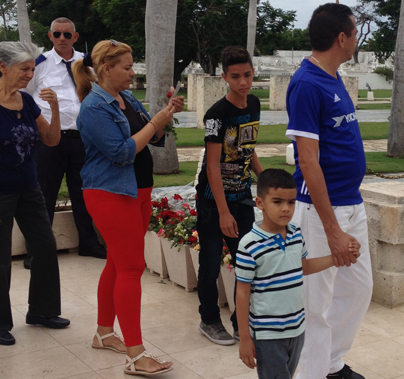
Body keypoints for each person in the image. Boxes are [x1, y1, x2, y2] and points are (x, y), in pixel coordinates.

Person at [73, 39, 184, 376]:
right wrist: (156, 121)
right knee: (132, 267)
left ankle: (104, 333)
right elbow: (121, 152)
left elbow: (150, 137)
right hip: (109, 192)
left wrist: (166, 116)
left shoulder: (126, 99)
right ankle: (136, 356)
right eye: (127, 67)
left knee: (117, 263)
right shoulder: (94, 107)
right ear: (107, 69)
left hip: (137, 189)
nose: (132, 72)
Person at [285, 4, 374, 379]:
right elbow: (308, 161)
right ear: (342, 38)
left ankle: (331, 363)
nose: (356, 40)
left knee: (358, 289)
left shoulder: (333, 76)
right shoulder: (306, 83)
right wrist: (333, 230)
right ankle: (311, 373)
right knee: (315, 304)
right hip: (320, 212)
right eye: (355, 33)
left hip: (350, 202)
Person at [0, 41, 70, 346]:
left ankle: (43, 311)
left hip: (29, 189)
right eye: (24, 69)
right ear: (3, 67)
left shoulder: (26, 100)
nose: (29, 74)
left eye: (32, 69)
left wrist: (55, 108)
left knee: (46, 247)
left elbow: (50, 139)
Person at [235, 169, 360, 379]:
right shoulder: (249, 245)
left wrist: (338, 256)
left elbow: (304, 267)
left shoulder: (294, 234)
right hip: (269, 334)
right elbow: (242, 293)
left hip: (296, 329)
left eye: (291, 202)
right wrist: (245, 339)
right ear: (260, 203)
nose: (286, 209)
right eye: (277, 202)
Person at [23, 17, 106, 270]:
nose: (62, 38)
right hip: (49, 140)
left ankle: (88, 243)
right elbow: (25, 98)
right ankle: (37, 250)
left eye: (67, 35)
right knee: (43, 195)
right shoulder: (39, 64)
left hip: (83, 139)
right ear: (50, 36)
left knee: (84, 193)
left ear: (75, 36)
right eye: (57, 34)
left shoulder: (88, 63)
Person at [195, 45, 263, 345]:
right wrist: (223, 212)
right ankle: (209, 319)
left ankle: (241, 322)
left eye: (247, 75)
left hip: (243, 199)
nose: (243, 82)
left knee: (246, 264)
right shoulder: (217, 115)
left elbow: (248, 149)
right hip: (213, 202)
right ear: (225, 77)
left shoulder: (254, 105)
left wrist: (266, 181)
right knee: (210, 265)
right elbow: (212, 166)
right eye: (235, 77)